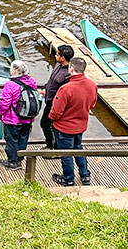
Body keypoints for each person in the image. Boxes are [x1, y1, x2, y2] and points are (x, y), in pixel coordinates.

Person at [50, 58, 98, 187]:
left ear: (71, 68)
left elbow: (56, 112)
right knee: (78, 148)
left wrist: (52, 118)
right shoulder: (92, 85)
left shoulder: (66, 89)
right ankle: (85, 175)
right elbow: (92, 104)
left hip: (64, 127)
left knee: (66, 153)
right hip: (81, 125)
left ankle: (68, 178)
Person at [0, 60, 38, 171]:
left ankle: (12, 162)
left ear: (14, 71)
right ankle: (19, 159)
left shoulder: (10, 85)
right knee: (23, 139)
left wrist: (0, 113)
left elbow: (4, 104)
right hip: (28, 118)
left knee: (11, 140)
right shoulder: (32, 81)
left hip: (13, 119)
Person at [41, 45, 74, 151]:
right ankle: (51, 145)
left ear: (63, 58)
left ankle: (53, 147)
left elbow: (66, 92)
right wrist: (46, 88)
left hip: (57, 104)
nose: (55, 56)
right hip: (49, 101)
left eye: (57, 54)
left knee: (49, 125)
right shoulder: (57, 65)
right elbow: (51, 80)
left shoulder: (68, 74)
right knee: (45, 123)